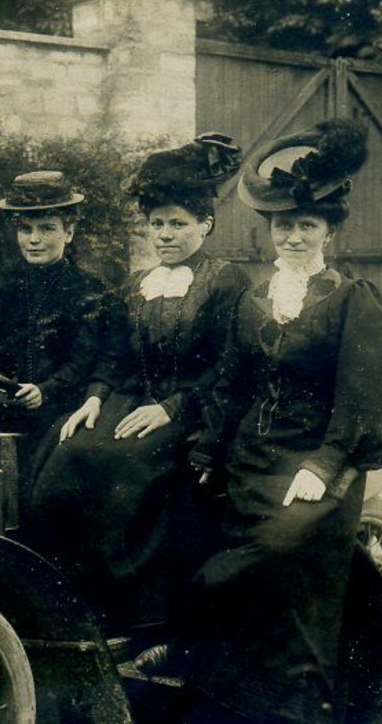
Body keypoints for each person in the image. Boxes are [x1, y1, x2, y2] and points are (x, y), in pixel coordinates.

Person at [180, 117, 382, 724]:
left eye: (306, 224)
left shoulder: (349, 300)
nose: (293, 235)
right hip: (251, 461)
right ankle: (243, 721)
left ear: (328, 231)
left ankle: (304, 722)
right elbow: (228, 385)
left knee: (279, 558)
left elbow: (363, 400)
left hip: (319, 466)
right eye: (283, 225)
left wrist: (324, 465)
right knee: (205, 557)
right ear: (269, 232)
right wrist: (203, 451)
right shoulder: (252, 301)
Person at [27, 135, 251, 622]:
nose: (165, 234)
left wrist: (171, 408)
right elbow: (117, 356)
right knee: (67, 451)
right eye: (156, 224)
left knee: (121, 465)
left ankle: (139, 613)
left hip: (194, 410)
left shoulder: (224, 281)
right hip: (130, 399)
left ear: (205, 226)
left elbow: (228, 367)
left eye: (178, 223)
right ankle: (70, 594)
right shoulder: (137, 285)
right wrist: (93, 398)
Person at [0, 170, 117, 486]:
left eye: (47, 228)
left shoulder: (91, 290)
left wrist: (45, 391)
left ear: (69, 231)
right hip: (11, 408)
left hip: (68, 409)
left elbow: (85, 361)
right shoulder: (5, 290)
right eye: (25, 229)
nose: (34, 239)